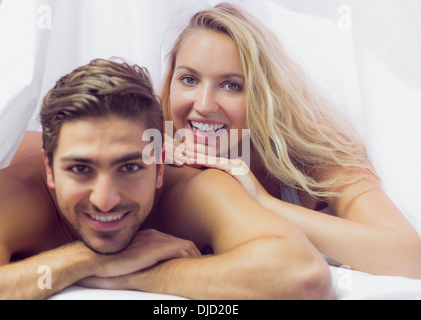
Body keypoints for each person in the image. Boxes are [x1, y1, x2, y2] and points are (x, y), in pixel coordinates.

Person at [0, 58, 333, 299]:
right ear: (50, 169)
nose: (105, 199)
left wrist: (132, 276)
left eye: (129, 168)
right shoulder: (15, 191)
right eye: (80, 169)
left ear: (160, 167)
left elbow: (301, 275)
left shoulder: (191, 187)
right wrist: (88, 260)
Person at [162, 3, 421, 277]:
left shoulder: (315, 157)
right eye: (189, 79)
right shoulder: (151, 149)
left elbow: (411, 260)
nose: (204, 105)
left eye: (232, 85)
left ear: (264, 95)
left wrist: (263, 202)